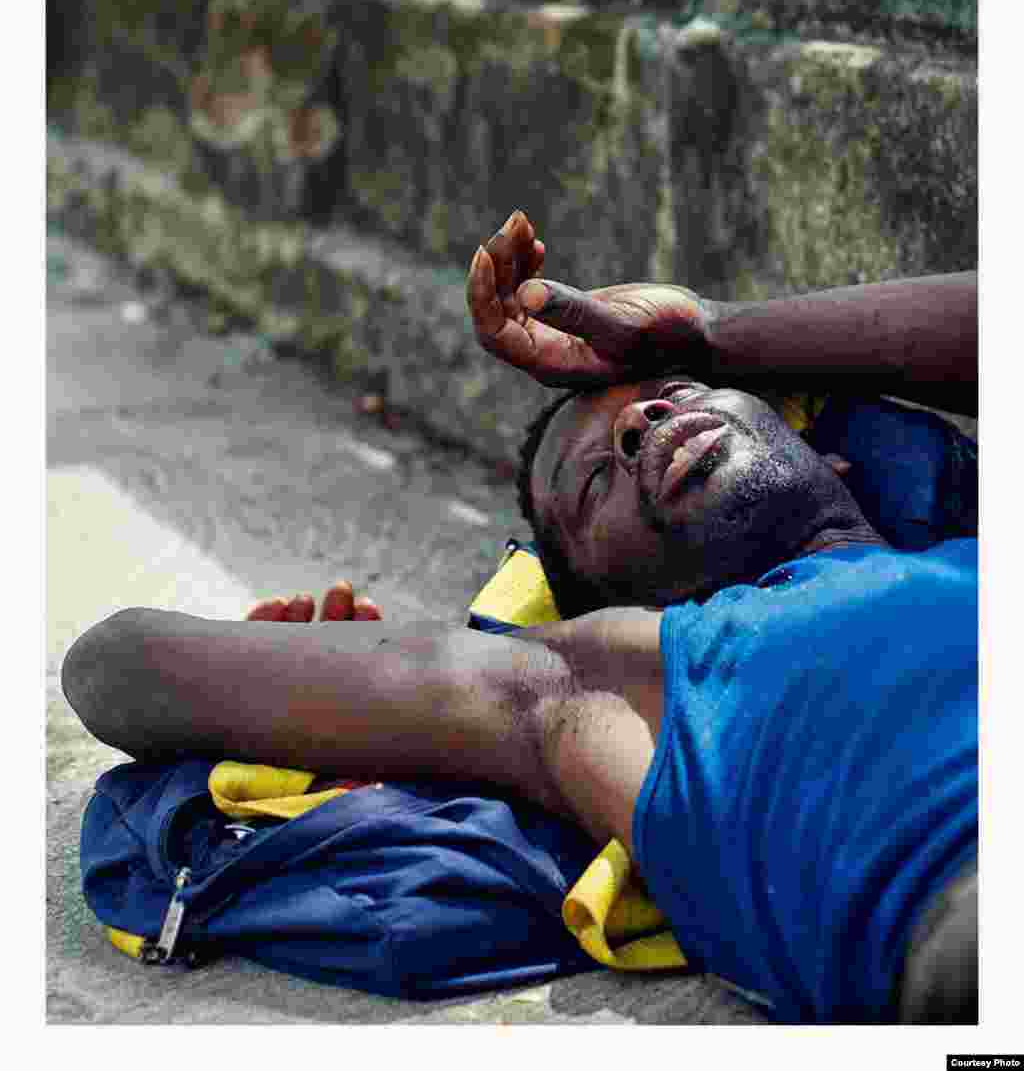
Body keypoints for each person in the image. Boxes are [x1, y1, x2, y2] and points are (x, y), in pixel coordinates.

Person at [62, 211, 978, 1024]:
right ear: (613, 604)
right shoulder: (620, 684)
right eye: (593, 484)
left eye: (678, 396)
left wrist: (707, 332)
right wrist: (306, 681)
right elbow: (115, 665)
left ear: (840, 460)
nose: (644, 424)